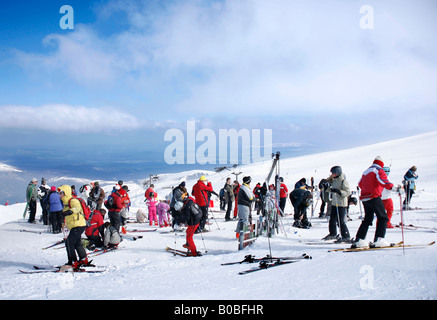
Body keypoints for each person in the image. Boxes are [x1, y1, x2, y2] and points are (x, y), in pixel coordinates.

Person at [353, 156, 395, 248]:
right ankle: (379, 240)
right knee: (383, 217)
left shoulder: (366, 171)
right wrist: (392, 187)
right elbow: (383, 181)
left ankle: (359, 240)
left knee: (368, 219)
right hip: (374, 197)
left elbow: (360, 183)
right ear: (381, 163)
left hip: (365, 198)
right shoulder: (378, 170)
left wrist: (367, 189)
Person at [58, 185, 89, 269]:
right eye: (59, 193)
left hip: (78, 225)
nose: (59, 194)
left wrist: (69, 211)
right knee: (76, 243)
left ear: (66, 193)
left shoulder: (72, 200)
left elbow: (78, 208)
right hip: (76, 225)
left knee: (69, 243)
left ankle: (73, 261)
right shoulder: (65, 202)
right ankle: (83, 259)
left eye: (61, 193)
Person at [323, 166, 351, 242]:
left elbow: (348, 192)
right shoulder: (335, 180)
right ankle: (333, 233)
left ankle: (346, 236)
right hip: (335, 203)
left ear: (337, 173)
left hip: (341, 203)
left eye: (333, 173)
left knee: (340, 221)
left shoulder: (343, 181)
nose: (332, 175)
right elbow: (333, 190)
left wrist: (340, 192)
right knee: (332, 219)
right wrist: (327, 188)